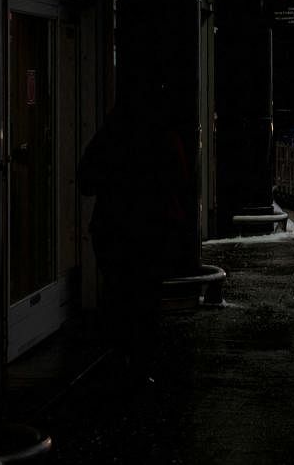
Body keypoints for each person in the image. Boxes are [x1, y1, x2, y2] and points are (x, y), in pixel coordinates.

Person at [78, 76, 190, 383]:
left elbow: (86, 179)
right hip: (153, 231)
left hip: (114, 228)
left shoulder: (112, 137)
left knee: (118, 292)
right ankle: (140, 361)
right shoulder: (164, 137)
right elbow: (179, 182)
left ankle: (122, 354)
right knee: (146, 296)